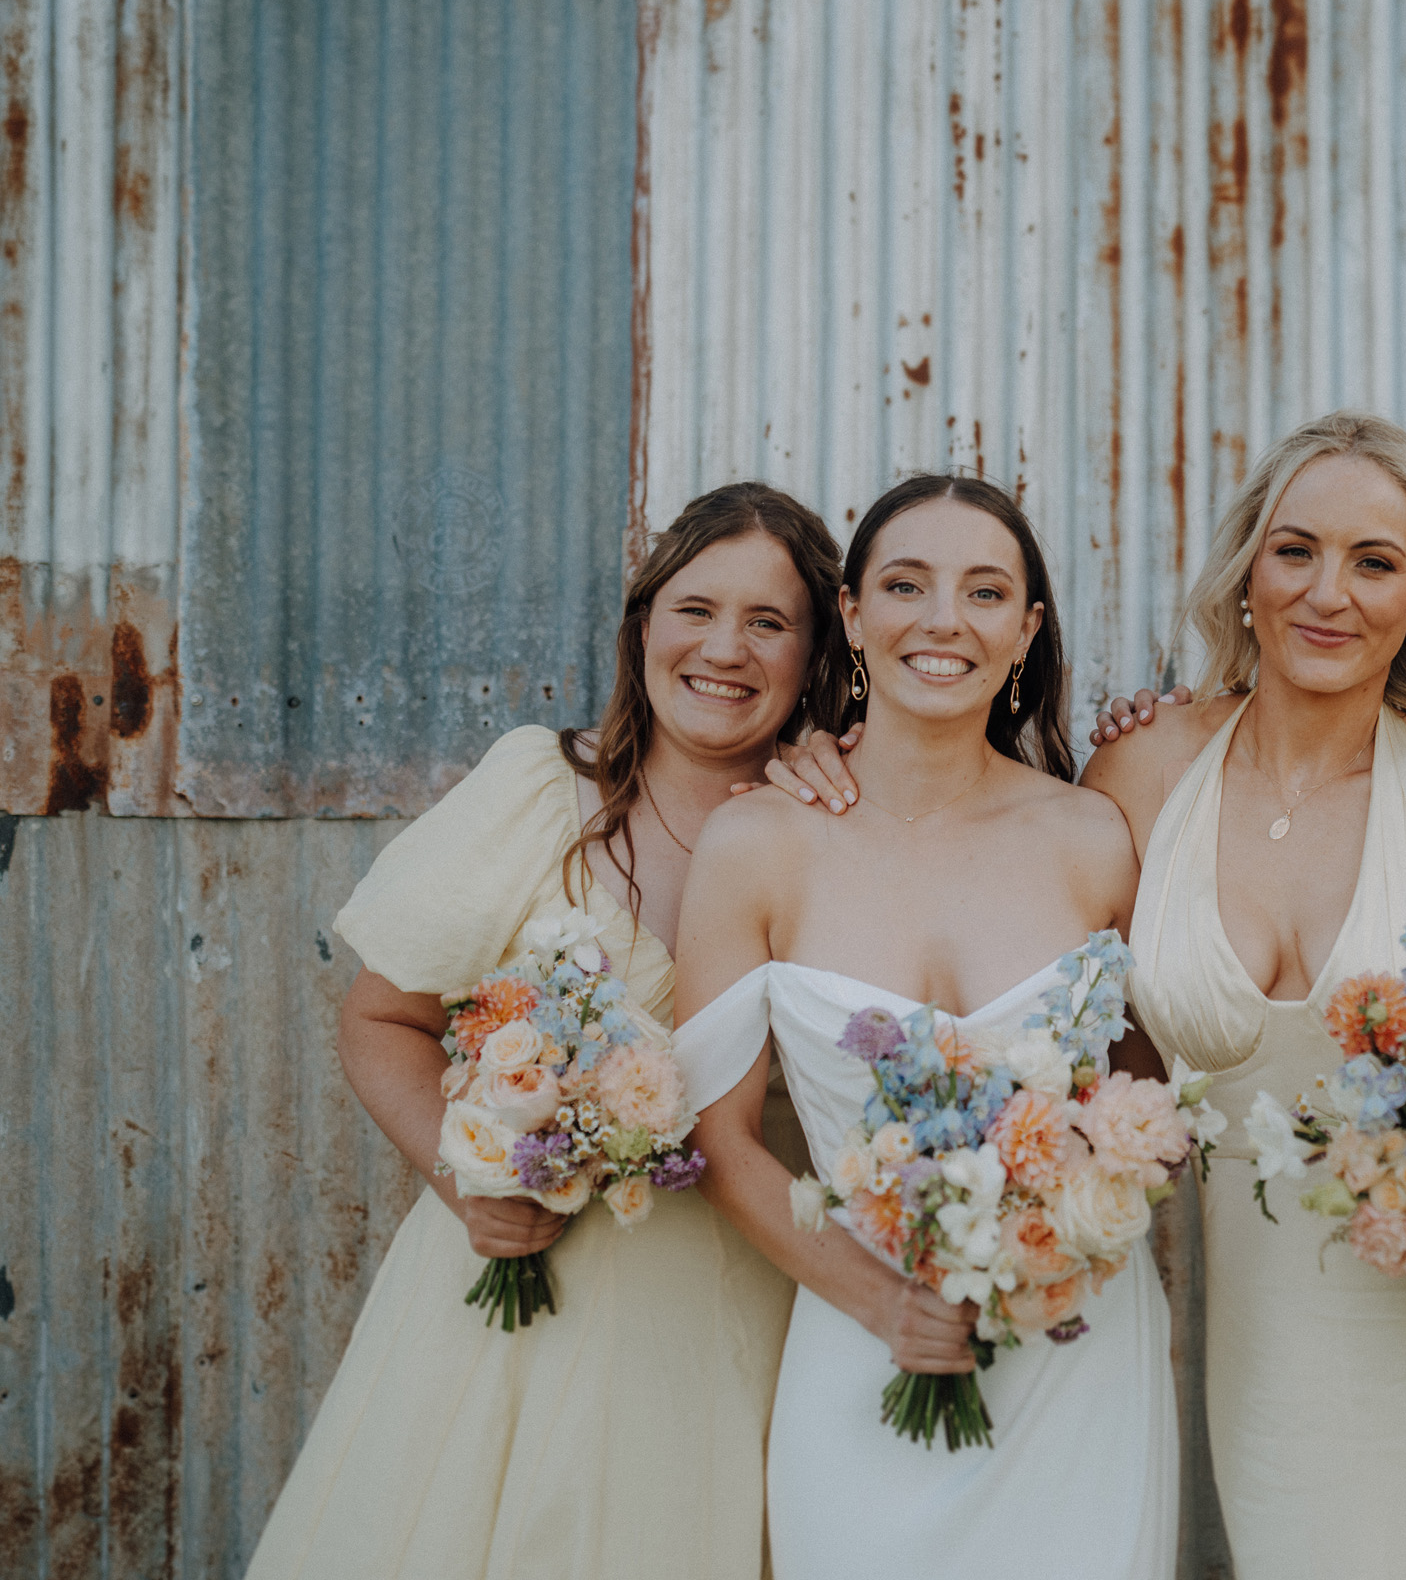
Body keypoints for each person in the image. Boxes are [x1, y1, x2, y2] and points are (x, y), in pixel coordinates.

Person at [245, 484, 849, 1580]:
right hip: (523, 1300)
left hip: (733, 1304)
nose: (726, 648)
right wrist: (467, 1176)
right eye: (695, 608)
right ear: (644, 625)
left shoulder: (837, 826)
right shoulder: (542, 787)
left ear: (815, 657)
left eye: (770, 622)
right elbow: (382, 1018)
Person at [1078, 411, 1406, 1580]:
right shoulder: (1141, 771)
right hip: (1267, 1354)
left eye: (1375, 562)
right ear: (1245, 572)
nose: (1329, 592)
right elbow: (1112, 1078)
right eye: (1296, 550)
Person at [671, 474, 1178, 1580]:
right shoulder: (758, 840)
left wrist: (1076, 1203)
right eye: (907, 585)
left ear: (1026, 630)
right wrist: (886, 1305)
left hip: (1073, 1350)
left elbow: (1149, 1098)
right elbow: (716, 1135)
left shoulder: (1095, 834)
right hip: (860, 1341)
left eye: (986, 591)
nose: (944, 619)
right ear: (851, 614)